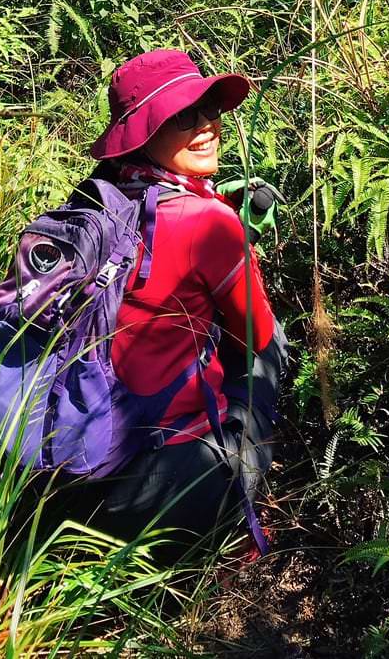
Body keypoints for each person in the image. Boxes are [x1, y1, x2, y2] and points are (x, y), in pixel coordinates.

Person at [79, 48, 287, 553]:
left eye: (209, 110)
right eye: (181, 117)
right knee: (274, 346)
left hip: (74, 480)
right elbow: (255, 336)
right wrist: (238, 242)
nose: (206, 126)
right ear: (146, 132)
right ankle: (225, 515)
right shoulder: (208, 222)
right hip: (165, 492)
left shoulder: (90, 201)